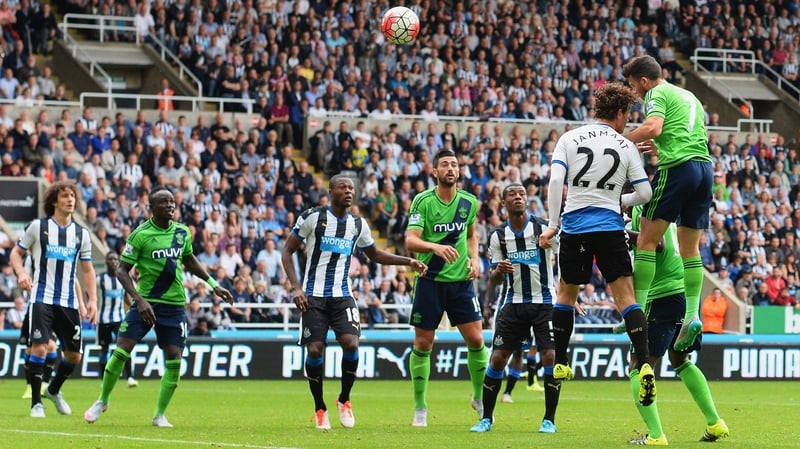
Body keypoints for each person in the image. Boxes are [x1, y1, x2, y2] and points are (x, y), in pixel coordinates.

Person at [539, 83, 657, 409]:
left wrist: (552, 224)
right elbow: (645, 195)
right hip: (609, 226)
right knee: (626, 298)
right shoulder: (626, 146)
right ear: (620, 113)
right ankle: (644, 362)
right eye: (628, 115)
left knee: (566, 293)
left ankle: (560, 360)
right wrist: (620, 201)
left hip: (576, 227)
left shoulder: (569, 138)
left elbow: (555, 181)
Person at [281, 175, 427, 430]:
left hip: (342, 295)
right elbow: (287, 250)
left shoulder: (358, 224)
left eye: (351, 187)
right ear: (330, 191)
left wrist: (408, 261)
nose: (348, 191)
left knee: (351, 344)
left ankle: (344, 400)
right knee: (315, 350)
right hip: (313, 296)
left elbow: (375, 254)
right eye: (343, 187)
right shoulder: (312, 217)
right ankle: (319, 408)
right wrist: (295, 287)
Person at [84, 187, 234, 427]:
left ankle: (159, 414)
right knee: (121, 351)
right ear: (152, 208)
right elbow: (122, 270)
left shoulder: (182, 232)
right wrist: (139, 300)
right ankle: (102, 400)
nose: (171, 206)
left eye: (173, 202)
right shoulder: (140, 235)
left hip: (174, 305)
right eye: (165, 202)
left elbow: (189, 260)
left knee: (174, 358)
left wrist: (213, 284)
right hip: (146, 304)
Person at [623, 55, 714, 352]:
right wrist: (659, 145)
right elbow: (682, 133)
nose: (635, 92)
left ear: (645, 81)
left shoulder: (657, 93)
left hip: (678, 169)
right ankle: (691, 316)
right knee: (691, 250)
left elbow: (653, 128)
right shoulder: (689, 96)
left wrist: (617, 139)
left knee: (647, 241)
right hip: (704, 169)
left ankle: (634, 310)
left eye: (634, 85)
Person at [623, 205, 729, 445]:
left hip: (659, 296)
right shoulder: (665, 207)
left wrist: (621, 232)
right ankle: (715, 423)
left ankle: (656, 435)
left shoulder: (640, 210)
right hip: (684, 293)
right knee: (680, 360)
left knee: (638, 365)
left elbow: (656, 245)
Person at [405, 149, 488, 427]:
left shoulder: (469, 202)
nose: (450, 168)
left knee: (476, 340)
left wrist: (475, 259)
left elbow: (472, 235)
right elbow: (411, 241)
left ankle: (478, 398)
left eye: (454, 164)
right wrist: (435, 247)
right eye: (445, 165)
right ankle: (420, 407)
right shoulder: (423, 202)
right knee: (423, 343)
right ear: (435, 172)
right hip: (430, 281)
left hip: (461, 283)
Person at [469, 184, 560, 434]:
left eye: (522, 194)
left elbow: (565, 260)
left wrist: (570, 296)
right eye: (512, 194)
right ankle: (486, 418)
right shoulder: (498, 236)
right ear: (503, 203)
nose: (518, 197)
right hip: (513, 303)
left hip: (544, 303)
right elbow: (495, 277)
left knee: (550, 357)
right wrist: (497, 276)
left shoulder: (544, 229)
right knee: (498, 358)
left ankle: (549, 420)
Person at [9, 180, 98, 418]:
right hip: (42, 298)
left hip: (68, 302)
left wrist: (92, 301)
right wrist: (22, 273)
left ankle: (54, 390)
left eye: (72, 196)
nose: (70, 200)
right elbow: (16, 254)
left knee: (74, 356)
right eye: (65, 196)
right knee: (39, 348)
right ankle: (36, 403)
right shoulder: (38, 227)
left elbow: (88, 270)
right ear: (54, 201)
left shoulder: (82, 234)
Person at [95, 251, 137, 387]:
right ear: (106, 262)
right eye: (110, 259)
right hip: (103, 319)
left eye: (115, 259)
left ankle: (130, 377)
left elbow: (125, 296)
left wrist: (133, 307)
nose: (113, 261)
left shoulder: (122, 278)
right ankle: (103, 380)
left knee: (125, 347)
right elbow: (89, 293)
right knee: (104, 349)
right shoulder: (99, 279)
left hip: (119, 318)